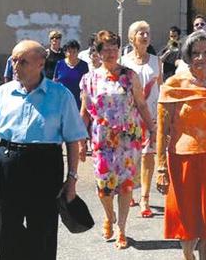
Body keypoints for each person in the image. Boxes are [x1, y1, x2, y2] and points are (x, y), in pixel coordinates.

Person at [0, 40, 87, 260]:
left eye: (23, 61)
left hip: (45, 164)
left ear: (40, 63)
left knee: (42, 228)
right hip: (8, 160)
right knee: (7, 227)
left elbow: (73, 140)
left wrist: (71, 179)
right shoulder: (2, 94)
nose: (16, 66)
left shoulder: (60, 95)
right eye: (14, 60)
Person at [155, 31, 206, 260]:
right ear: (187, 56)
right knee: (188, 224)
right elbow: (162, 130)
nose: (200, 58)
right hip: (184, 161)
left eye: (205, 52)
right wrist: (160, 168)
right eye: (195, 54)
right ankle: (188, 256)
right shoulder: (173, 86)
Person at [80, 30, 154, 249]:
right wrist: (78, 139)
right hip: (102, 141)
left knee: (125, 186)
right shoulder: (89, 79)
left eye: (115, 48)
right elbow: (84, 112)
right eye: (106, 49)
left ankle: (121, 228)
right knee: (104, 187)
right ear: (98, 52)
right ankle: (108, 213)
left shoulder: (130, 76)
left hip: (128, 139)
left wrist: (153, 128)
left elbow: (141, 104)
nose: (111, 53)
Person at [121, 21, 161, 218]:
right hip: (130, 117)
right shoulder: (124, 62)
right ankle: (130, 191)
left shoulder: (156, 61)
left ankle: (145, 198)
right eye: (141, 33)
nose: (145, 36)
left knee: (147, 156)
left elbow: (160, 90)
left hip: (151, 116)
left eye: (147, 33)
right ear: (132, 38)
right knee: (131, 157)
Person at [53, 39, 89, 110]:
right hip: (62, 101)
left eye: (74, 52)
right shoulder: (60, 64)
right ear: (65, 52)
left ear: (78, 52)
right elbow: (55, 81)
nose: (71, 54)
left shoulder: (84, 65)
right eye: (69, 51)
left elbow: (87, 84)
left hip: (78, 102)